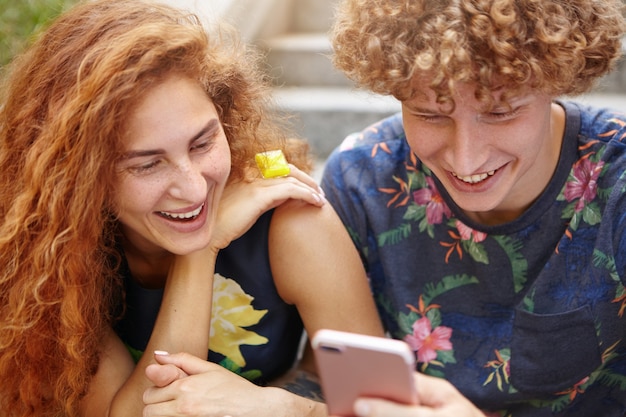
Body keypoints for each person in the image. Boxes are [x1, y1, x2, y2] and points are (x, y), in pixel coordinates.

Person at [0, 0, 384, 416]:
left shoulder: (290, 219)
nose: (195, 188)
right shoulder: (54, 255)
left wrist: (282, 407)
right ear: (78, 177)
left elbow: (384, 405)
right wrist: (203, 250)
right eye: (147, 164)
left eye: (203, 143)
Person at [322, 0, 626, 416]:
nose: (466, 162)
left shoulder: (618, 184)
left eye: (501, 113)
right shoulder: (361, 180)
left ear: (558, 78)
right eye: (429, 115)